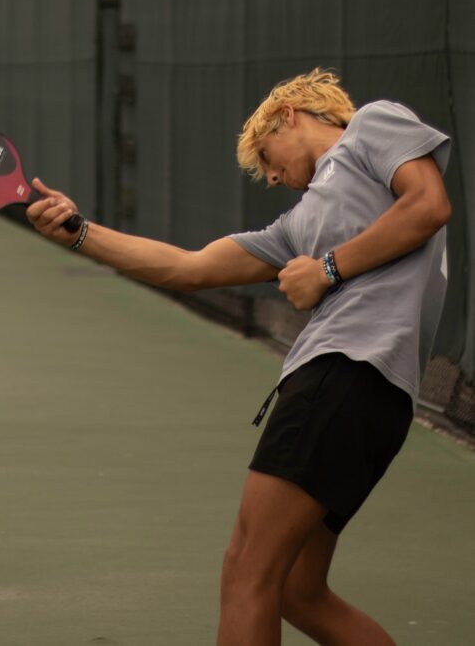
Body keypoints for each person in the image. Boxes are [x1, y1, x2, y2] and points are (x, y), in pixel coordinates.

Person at [26, 68, 451, 646]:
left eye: (268, 158)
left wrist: (327, 269)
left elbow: (428, 205)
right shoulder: (299, 225)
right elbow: (187, 267)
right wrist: (78, 232)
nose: (272, 176)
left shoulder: (371, 125)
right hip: (376, 400)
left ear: (289, 116)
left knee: (246, 571)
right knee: (299, 592)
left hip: (343, 375)